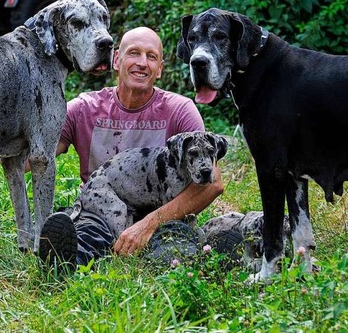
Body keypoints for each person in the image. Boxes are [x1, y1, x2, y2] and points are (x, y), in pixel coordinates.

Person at [37, 27, 226, 269]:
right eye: (134, 53)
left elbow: (214, 183)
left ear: (160, 69)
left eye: (151, 56)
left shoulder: (180, 110)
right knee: (88, 237)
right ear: (117, 60)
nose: (142, 63)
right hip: (103, 209)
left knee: (173, 252)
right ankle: (63, 260)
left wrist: (147, 225)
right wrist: (7, 135)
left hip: (163, 213)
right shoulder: (83, 108)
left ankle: (201, 251)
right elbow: (34, 158)